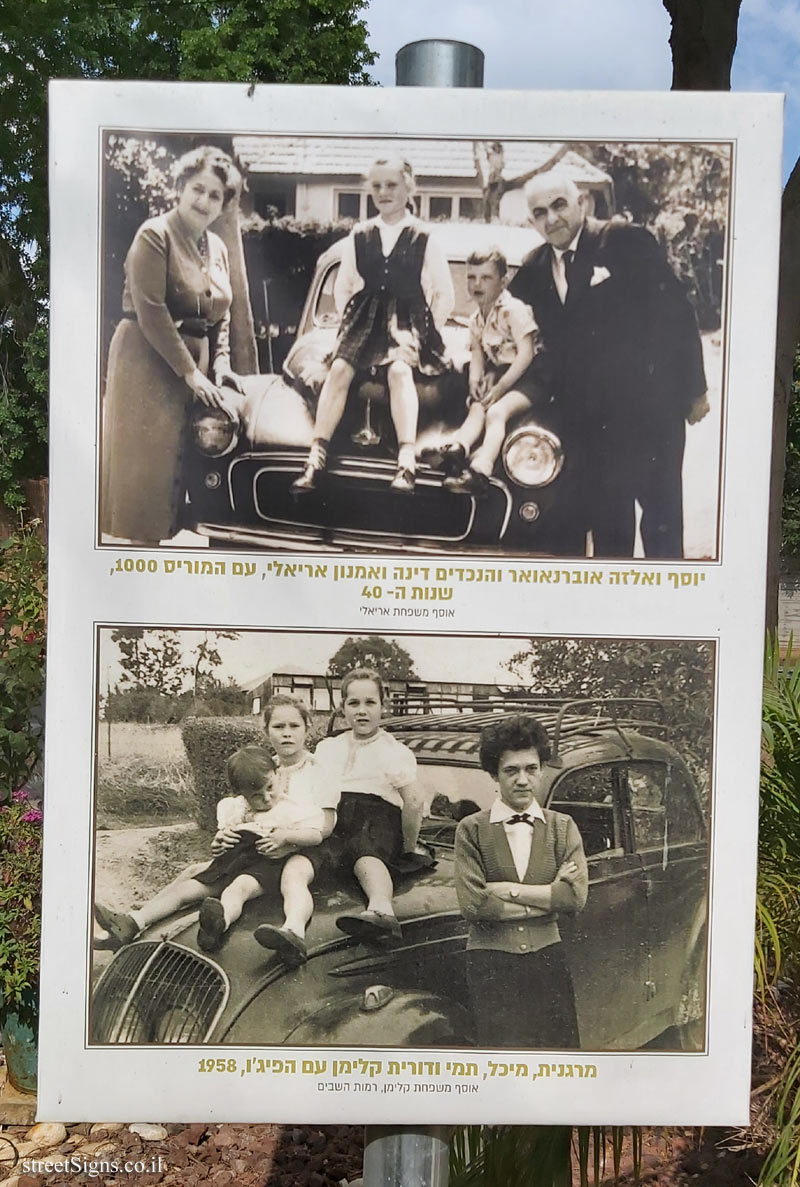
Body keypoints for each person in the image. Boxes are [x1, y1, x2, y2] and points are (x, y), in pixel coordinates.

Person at [509, 170, 710, 558]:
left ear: (581, 202)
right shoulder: (534, 267)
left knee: (660, 519)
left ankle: (667, 605)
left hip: (651, 412)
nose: (552, 219)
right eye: (539, 212)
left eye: (559, 205)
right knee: (608, 522)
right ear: (531, 222)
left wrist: (694, 390)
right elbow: (510, 327)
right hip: (589, 422)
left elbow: (676, 313)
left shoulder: (622, 241)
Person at [101, 146, 244, 545]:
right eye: (198, 189)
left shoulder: (216, 247)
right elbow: (150, 309)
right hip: (146, 361)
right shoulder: (155, 234)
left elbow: (223, 312)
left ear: (223, 205)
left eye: (215, 195)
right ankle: (137, 583)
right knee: (146, 491)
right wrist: (190, 371)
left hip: (191, 367)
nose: (204, 201)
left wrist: (221, 364)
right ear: (180, 188)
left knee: (181, 488)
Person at [292, 156, 454, 496]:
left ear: (409, 187)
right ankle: (315, 454)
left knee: (399, 372)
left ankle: (406, 461)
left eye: (392, 185)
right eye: (377, 186)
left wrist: (425, 332)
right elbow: (345, 286)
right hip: (364, 320)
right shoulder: (360, 234)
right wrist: (354, 323)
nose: (384, 192)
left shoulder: (424, 236)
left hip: (407, 322)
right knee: (338, 370)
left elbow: (444, 294)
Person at [93, 744, 331, 957]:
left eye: (270, 787)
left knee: (238, 889)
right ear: (242, 795)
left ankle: (219, 921)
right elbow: (222, 839)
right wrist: (221, 840)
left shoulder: (292, 808)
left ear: (277, 776)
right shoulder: (235, 808)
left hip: (266, 865)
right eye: (256, 796)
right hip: (233, 862)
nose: (267, 798)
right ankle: (133, 921)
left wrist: (286, 836)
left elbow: (315, 834)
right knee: (187, 889)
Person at [454, 715, 588, 1049]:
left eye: (531, 768)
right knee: (503, 1065)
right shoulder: (471, 829)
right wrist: (548, 895)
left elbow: (575, 898)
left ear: (542, 769)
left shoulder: (562, 827)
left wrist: (508, 891)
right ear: (494, 775)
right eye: (511, 770)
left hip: (548, 961)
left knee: (558, 1060)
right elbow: (474, 905)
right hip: (492, 965)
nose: (523, 780)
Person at [314, 667, 429, 945]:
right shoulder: (329, 747)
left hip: (377, 820)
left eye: (370, 703)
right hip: (335, 818)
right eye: (353, 703)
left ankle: (381, 910)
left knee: (365, 853)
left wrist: (407, 848)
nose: (362, 711)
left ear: (383, 706)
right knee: (307, 857)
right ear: (342, 708)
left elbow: (414, 801)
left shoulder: (393, 751)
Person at [425, 248, 541, 497]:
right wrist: (474, 381)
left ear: (503, 281)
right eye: (471, 277)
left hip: (531, 377)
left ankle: (481, 469)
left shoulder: (513, 310)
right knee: (477, 406)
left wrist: (500, 388)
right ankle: (459, 447)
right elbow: (477, 353)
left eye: (486, 278)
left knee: (496, 412)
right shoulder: (478, 318)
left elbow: (526, 354)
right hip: (501, 375)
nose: (477, 284)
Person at [253, 694, 339, 968]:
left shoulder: (320, 769)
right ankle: (138, 920)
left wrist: (290, 841)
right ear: (266, 730)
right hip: (270, 843)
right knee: (215, 873)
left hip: (312, 845)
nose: (287, 734)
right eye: (278, 727)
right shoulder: (265, 769)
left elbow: (326, 826)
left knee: (293, 875)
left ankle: (293, 931)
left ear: (307, 727)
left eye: (294, 726)